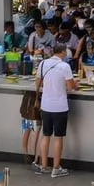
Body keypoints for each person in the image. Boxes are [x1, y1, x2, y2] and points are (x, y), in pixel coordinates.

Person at [35, 42, 77, 178]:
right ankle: (56, 168)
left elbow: (37, 83)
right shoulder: (65, 66)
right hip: (60, 106)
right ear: (63, 52)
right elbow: (71, 87)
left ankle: (43, 166)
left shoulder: (42, 64)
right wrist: (75, 83)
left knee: (46, 135)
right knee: (58, 137)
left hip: (45, 105)